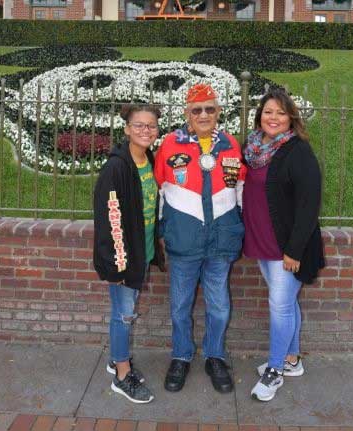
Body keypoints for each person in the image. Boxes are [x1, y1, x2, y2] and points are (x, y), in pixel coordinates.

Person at [154, 83, 246, 394]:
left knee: (219, 306)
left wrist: (236, 227)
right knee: (180, 305)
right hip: (185, 240)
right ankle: (181, 355)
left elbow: (239, 191)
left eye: (210, 108)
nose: (204, 114)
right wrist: (163, 232)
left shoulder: (230, 145)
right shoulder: (170, 144)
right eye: (197, 110)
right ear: (187, 114)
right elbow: (160, 192)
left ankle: (214, 356)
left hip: (220, 241)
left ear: (219, 112)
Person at [242, 88, 325, 402]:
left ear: (291, 117)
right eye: (267, 111)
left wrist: (294, 250)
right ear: (259, 115)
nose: (272, 117)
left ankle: (275, 370)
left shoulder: (297, 151)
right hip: (263, 241)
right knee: (286, 304)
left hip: (287, 248)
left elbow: (308, 204)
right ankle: (292, 360)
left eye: (279, 112)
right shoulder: (253, 146)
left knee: (279, 307)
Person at [93, 104, 165, 404]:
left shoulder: (147, 159)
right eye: (139, 125)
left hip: (142, 249)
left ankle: (116, 359)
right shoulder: (117, 167)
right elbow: (110, 218)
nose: (145, 130)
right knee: (123, 315)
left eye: (150, 126)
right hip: (124, 258)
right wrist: (118, 266)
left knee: (125, 310)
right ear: (126, 128)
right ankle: (122, 376)